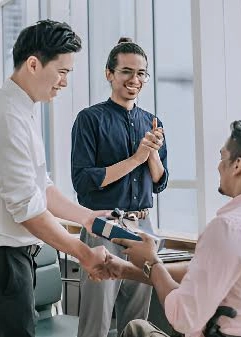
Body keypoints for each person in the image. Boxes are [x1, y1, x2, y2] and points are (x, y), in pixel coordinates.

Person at [0, 20, 111, 337]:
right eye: (62, 71)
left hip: (7, 259)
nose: (65, 82)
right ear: (33, 64)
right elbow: (27, 208)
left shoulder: (22, 109)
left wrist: (88, 217)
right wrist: (83, 253)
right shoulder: (6, 117)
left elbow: (42, 187)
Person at [108, 121, 241, 337]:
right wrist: (127, 270)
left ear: (237, 165)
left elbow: (183, 318)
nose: (218, 166)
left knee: (136, 329)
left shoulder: (228, 228)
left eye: (222, 157)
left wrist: (151, 262)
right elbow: (205, 271)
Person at [71, 37, 168, 337]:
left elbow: (160, 182)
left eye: (141, 73)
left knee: (137, 324)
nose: (134, 79)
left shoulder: (152, 121)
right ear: (109, 74)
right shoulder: (90, 119)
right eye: (126, 71)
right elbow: (84, 182)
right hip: (104, 225)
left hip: (143, 226)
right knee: (96, 320)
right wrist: (136, 157)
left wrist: (151, 154)